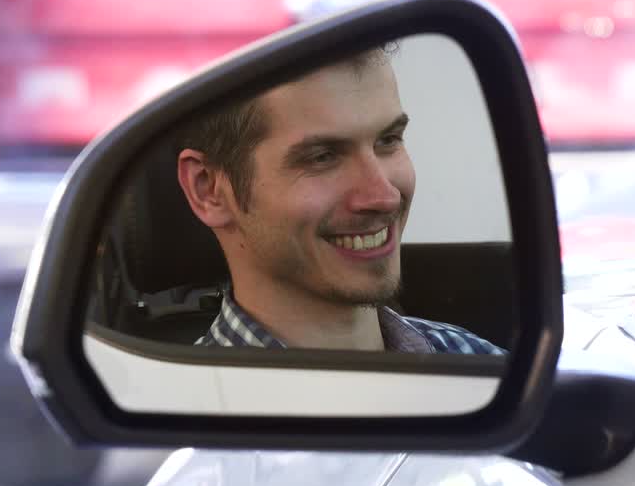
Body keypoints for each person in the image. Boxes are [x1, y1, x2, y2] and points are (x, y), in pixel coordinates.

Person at [175, 47, 502, 354]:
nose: (384, 197)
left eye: (388, 140)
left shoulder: (480, 364)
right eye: (322, 157)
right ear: (209, 190)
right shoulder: (173, 408)